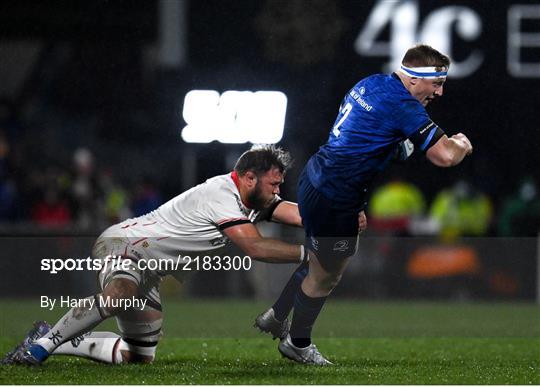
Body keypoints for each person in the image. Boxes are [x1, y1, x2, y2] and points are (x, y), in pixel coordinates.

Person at [254, 44, 473, 365]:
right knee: (328, 273)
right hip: (336, 194)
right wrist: (462, 145)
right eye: (436, 83)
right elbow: (444, 156)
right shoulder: (404, 106)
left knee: (321, 256)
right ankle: (297, 344)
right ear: (413, 80)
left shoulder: (370, 83)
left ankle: (277, 315)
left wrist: (358, 198)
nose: (439, 92)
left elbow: (360, 137)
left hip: (317, 176)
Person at [3, 145, 309, 366]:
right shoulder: (221, 195)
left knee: (136, 356)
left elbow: (298, 215)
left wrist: (343, 219)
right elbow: (255, 248)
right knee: (118, 296)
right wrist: (310, 255)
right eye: (274, 184)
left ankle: (53, 336)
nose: (278, 190)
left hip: (149, 269)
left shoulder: (252, 196)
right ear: (249, 178)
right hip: (126, 245)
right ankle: (40, 348)